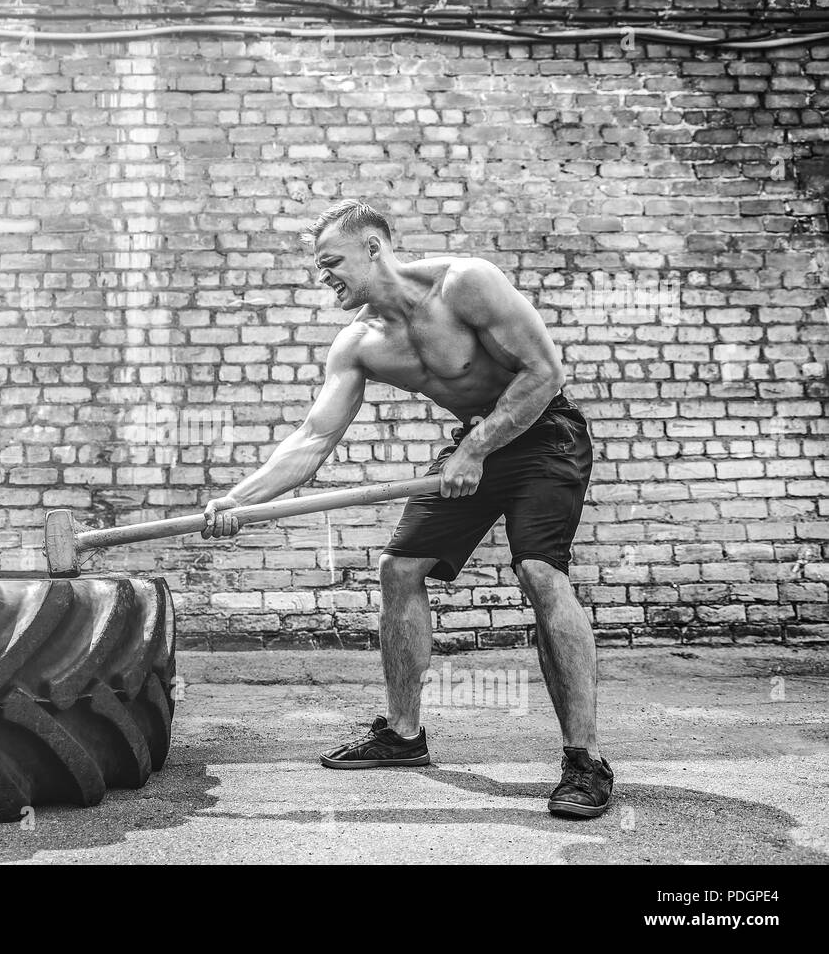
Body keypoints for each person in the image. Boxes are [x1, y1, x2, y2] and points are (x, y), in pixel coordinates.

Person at [201, 199, 612, 818]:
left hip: (543, 434)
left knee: (540, 572)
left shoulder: (466, 283)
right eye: (318, 267)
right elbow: (313, 439)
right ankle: (403, 734)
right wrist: (238, 500)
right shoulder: (361, 342)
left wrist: (473, 449)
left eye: (331, 262)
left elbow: (544, 372)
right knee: (400, 569)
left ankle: (585, 761)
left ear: (374, 247)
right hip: (473, 447)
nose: (324, 277)